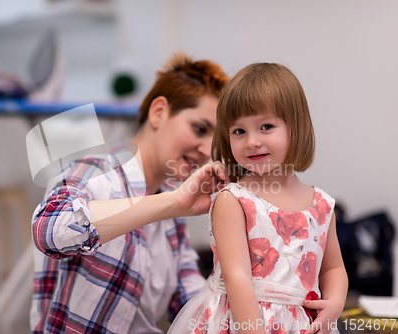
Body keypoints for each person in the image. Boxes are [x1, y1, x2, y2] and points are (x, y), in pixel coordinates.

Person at [30, 53, 230, 334]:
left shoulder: (173, 219)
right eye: (200, 128)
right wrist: (172, 202)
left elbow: (192, 306)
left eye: (217, 141)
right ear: (159, 111)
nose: (207, 150)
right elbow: (49, 228)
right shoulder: (97, 173)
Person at [167, 63, 348, 334]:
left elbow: (333, 268)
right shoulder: (234, 199)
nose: (251, 141)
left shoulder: (322, 204)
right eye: (239, 131)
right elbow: (237, 277)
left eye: (266, 126)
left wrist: (334, 304)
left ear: (296, 128)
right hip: (242, 323)